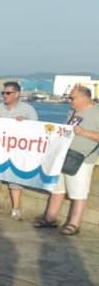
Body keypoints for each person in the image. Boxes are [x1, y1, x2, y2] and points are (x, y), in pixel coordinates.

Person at [33, 85, 99, 236]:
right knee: (57, 189)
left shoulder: (97, 112)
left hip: (82, 159)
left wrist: (84, 133)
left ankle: (74, 224)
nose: (69, 100)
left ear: (84, 98)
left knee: (78, 192)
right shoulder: (72, 112)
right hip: (64, 156)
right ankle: (50, 218)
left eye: (72, 98)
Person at [0, 81, 38, 220]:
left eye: (8, 93)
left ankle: (16, 209)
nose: (5, 95)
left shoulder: (28, 109)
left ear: (17, 94)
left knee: (15, 181)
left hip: (17, 151)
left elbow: (36, 129)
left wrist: (26, 123)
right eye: (3, 93)